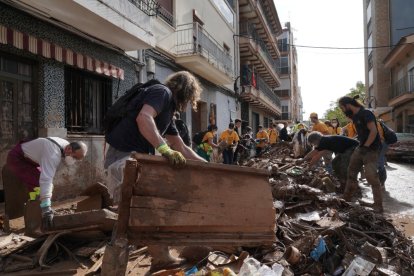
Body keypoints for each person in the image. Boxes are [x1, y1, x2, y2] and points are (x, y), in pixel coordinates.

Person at [104, 71, 206, 271]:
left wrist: (209, 166)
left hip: (131, 157)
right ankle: (155, 257)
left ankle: (156, 257)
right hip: (123, 157)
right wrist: (164, 149)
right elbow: (144, 119)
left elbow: (181, 146)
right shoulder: (161, 92)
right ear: (187, 92)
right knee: (146, 206)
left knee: (138, 209)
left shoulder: (168, 111)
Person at [6, 138, 87, 229]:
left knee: (42, 185)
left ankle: (35, 205)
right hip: (17, 158)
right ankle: (37, 207)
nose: (74, 160)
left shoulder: (65, 146)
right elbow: (46, 179)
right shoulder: (53, 154)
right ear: (69, 149)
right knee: (38, 182)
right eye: (75, 157)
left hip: (30, 160)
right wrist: (46, 208)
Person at [338, 96, 383, 212]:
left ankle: (378, 206)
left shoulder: (366, 113)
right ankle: (346, 199)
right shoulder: (355, 116)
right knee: (351, 172)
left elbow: (373, 131)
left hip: (372, 149)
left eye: (342, 108)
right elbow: (363, 133)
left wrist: (366, 146)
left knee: (371, 177)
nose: (342, 111)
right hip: (361, 147)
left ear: (347, 105)